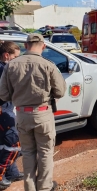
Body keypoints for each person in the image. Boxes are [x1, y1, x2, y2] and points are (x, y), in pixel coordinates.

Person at [0, 34, 66, 191]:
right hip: (43, 114)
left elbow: (3, 94)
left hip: (22, 116)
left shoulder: (11, 65)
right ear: (43, 46)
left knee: (28, 153)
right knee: (45, 153)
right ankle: (44, 187)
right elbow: (60, 91)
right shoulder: (48, 64)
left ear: (26, 45)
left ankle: (30, 188)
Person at [0, 41, 23, 190]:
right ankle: (1, 176)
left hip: (6, 110)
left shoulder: (5, 68)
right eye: (16, 57)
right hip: (3, 111)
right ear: (7, 55)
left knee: (4, 144)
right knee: (14, 145)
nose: (18, 61)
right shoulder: (3, 70)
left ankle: (12, 172)